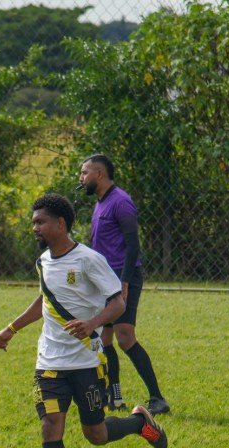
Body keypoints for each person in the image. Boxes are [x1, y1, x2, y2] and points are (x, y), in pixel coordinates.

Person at [0, 193, 168, 448]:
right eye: (33, 222)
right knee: (50, 426)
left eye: (40, 222)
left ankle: (139, 422)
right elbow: (44, 300)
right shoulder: (43, 262)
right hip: (49, 363)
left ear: (60, 224)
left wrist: (92, 324)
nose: (35, 228)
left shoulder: (89, 260)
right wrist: (10, 329)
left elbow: (118, 302)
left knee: (96, 435)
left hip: (87, 362)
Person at [78, 154, 170, 415]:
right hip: (104, 278)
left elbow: (133, 246)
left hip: (122, 276)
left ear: (99, 174)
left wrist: (125, 282)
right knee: (105, 338)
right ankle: (114, 396)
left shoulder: (121, 201)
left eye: (84, 173)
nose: (81, 178)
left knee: (125, 337)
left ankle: (157, 398)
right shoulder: (100, 202)